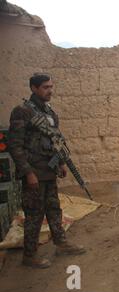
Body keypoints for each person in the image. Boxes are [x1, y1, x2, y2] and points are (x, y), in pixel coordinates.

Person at [8, 73, 86, 269]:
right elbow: (15, 146)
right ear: (34, 88)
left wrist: (60, 163)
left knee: (53, 209)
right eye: (45, 87)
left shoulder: (50, 113)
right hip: (34, 173)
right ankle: (30, 255)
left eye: (51, 86)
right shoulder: (22, 111)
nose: (50, 90)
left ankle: (61, 243)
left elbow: (55, 143)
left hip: (49, 171)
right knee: (34, 214)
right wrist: (28, 173)